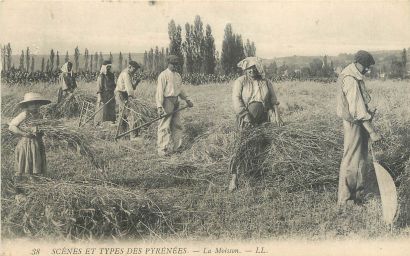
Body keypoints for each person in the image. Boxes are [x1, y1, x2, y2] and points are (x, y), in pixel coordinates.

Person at [229, 56, 284, 191]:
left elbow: (273, 100)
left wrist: (277, 117)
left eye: (254, 68)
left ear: (258, 68)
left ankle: (255, 173)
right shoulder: (241, 82)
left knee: (261, 144)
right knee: (242, 145)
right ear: (245, 70)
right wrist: (245, 115)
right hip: (247, 117)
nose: (251, 71)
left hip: (263, 117)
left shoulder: (266, 82)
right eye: (248, 69)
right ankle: (234, 179)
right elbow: (236, 99)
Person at [336, 50, 382, 206]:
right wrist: (373, 132)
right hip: (353, 124)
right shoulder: (350, 79)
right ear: (358, 63)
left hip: (359, 122)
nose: (368, 70)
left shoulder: (355, 75)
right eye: (366, 66)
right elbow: (358, 111)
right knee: (351, 162)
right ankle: (346, 199)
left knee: (361, 160)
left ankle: (357, 197)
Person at [156, 55, 193, 156]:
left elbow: (181, 90)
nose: (175, 66)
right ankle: (162, 149)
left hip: (176, 101)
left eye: (176, 64)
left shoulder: (177, 75)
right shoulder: (163, 75)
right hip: (167, 101)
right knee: (164, 126)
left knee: (177, 125)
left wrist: (187, 100)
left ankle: (177, 147)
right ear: (168, 64)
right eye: (173, 64)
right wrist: (159, 106)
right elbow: (159, 92)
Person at [8, 92, 51, 181]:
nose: (35, 106)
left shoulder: (40, 115)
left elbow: (42, 128)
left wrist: (43, 131)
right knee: (24, 162)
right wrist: (23, 134)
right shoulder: (24, 114)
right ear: (27, 105)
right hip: (26, 143)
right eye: (32, 103)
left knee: (35, 162)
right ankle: (19, 184)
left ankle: (33, 181)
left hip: (37, 142)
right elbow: (11, 126)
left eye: (37, 103)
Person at [115, 60, 141, 140]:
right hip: (121, 94)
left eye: (136, 69)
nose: (135, 71)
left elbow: (131, 87)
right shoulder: (126, 74)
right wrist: (131, 97)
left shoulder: (128, 74)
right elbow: (129, 88)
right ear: (129, 67)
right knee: (130, 114)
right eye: (134, 69)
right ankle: (133, 136)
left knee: (122, 114)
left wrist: (136, 83)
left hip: (122, 94)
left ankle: (122, 135)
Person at [94, 60, 116, 126]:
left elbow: (114, 85)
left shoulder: (111, 75)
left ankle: (111, 122)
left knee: (111, 108)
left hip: (111, 94)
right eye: (107, 67)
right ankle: (98, 123)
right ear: (104, 67)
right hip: (104, 95)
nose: (108, 68)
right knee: (102, 109)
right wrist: (100, 96)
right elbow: (99, 87)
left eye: (109, 67)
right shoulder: (101, 76)